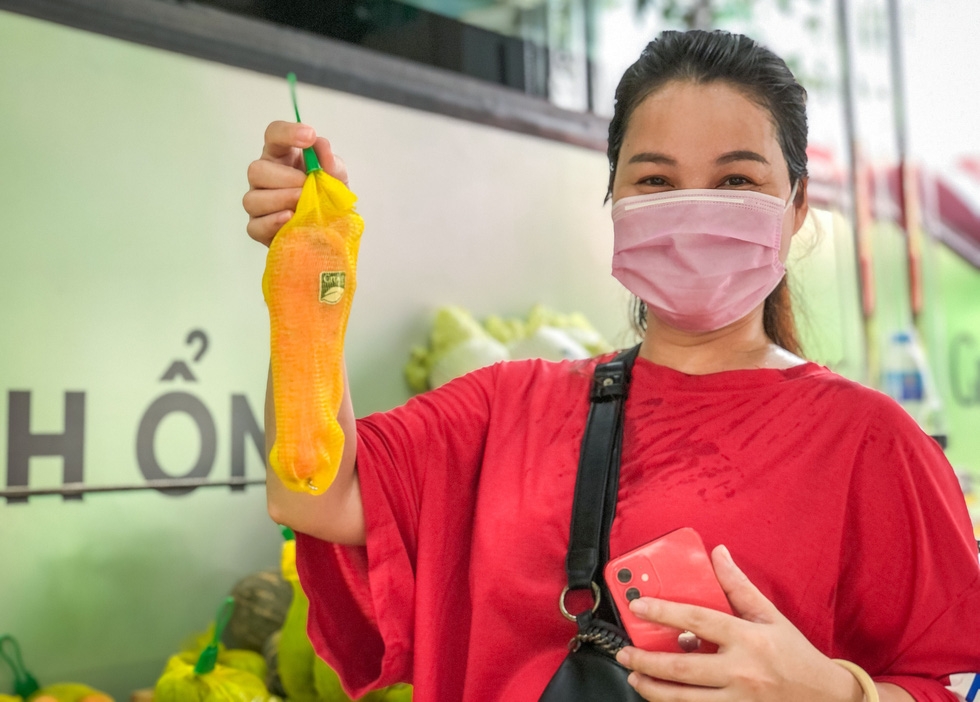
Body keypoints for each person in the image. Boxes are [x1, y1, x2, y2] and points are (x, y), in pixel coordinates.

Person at [243, 30, 980, 702]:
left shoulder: (871, 444)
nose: (693, 211)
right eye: (656, 181)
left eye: (735, 182)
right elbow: (314, 492)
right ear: (615, 202)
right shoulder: (506, 408)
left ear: (795, 208)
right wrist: (308, 267)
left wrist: (837, 693)